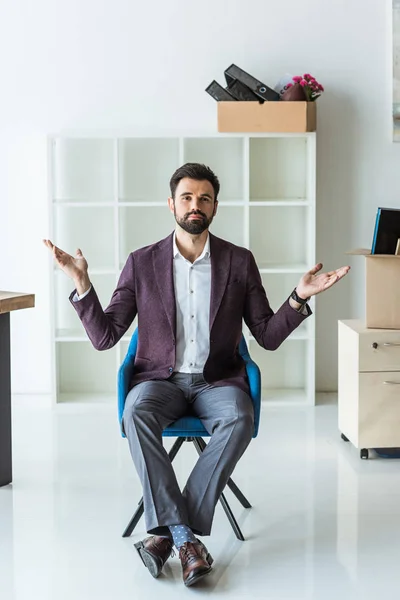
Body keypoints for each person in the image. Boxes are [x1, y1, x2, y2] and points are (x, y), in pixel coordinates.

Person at [44, 163, 350, 587]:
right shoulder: (141, 262)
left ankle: (167, 535)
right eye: (186, 197)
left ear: (215, 207)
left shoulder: (239, 262)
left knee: (240, 416)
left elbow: (266, 335)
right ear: (171, 204)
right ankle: (186, 537)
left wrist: (299, 298)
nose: (195, 205)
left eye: (204, 198)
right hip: (159, 382)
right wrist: (81, 283)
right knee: (136, 412)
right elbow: (106, 336)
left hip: (216, 382)